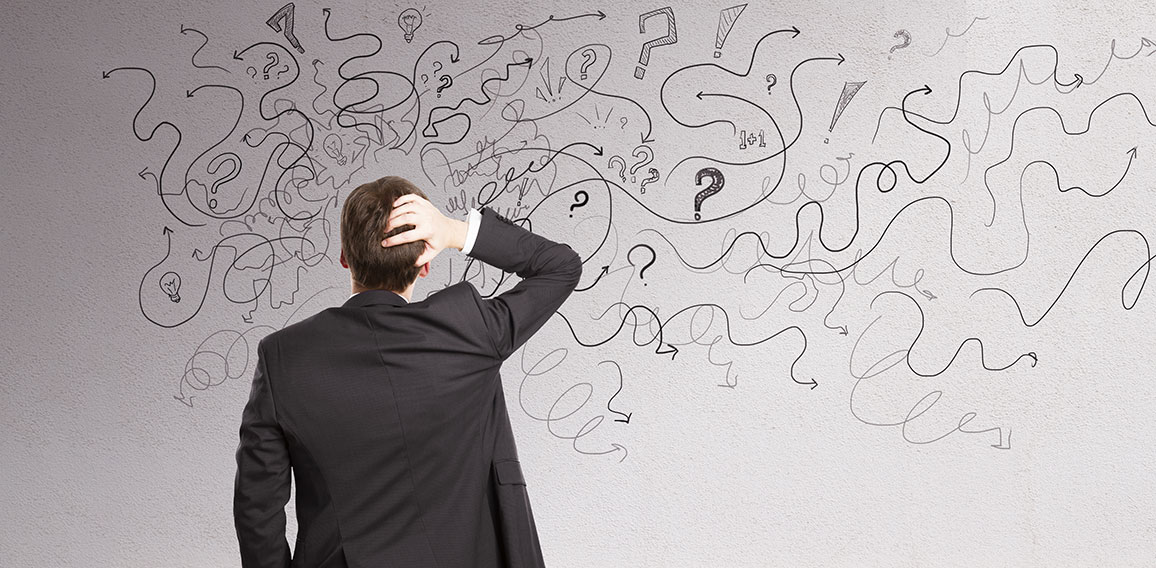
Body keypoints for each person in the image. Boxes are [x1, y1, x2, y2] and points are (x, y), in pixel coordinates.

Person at [233, 175, 583, 567]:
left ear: (345, 257)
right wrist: (453, 231)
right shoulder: (469, 329)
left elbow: (257, 509)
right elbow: (561, 266)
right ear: (426, 263)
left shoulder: (284, 357)